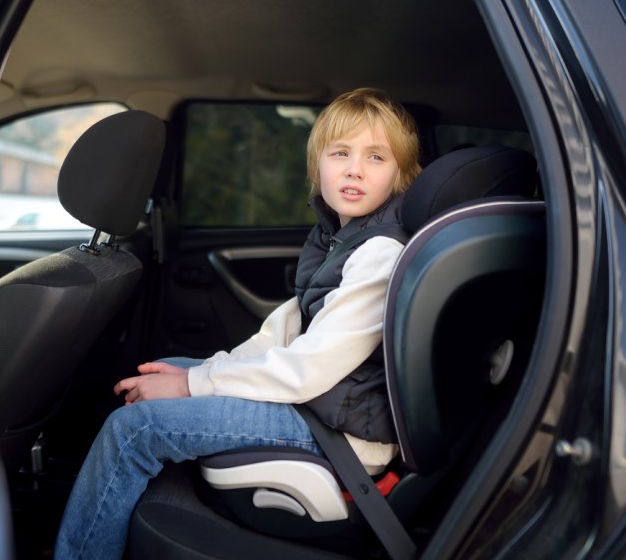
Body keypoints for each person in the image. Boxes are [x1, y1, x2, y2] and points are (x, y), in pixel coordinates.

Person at [54, 88, 422, 560]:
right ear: (318, 167)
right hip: (323, 408)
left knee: (135, 429)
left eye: (376, 156)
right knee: (163, 369)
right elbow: (280, 334)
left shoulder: (379, 252)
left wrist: (196, 383)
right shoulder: (339, 238)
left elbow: (307, 370)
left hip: (347, 435)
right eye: (340, 153)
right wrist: (194, 375)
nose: (355, 168)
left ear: (400, 175)